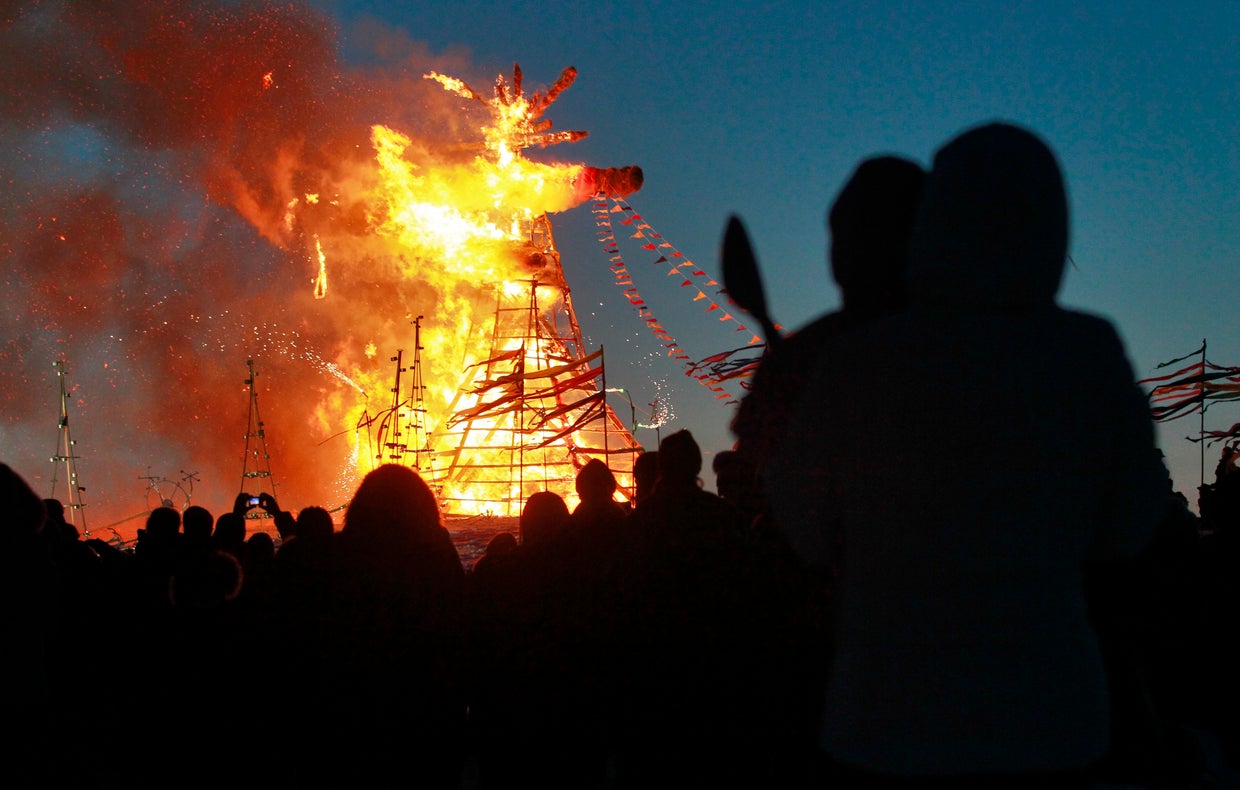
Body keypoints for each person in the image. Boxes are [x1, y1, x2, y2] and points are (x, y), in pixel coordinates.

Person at [767, 122, 1168, 787]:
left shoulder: (859, 361)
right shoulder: (1088, 355)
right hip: (1048, 715)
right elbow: (1130, 525)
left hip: (887, 718)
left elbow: (804, 525)